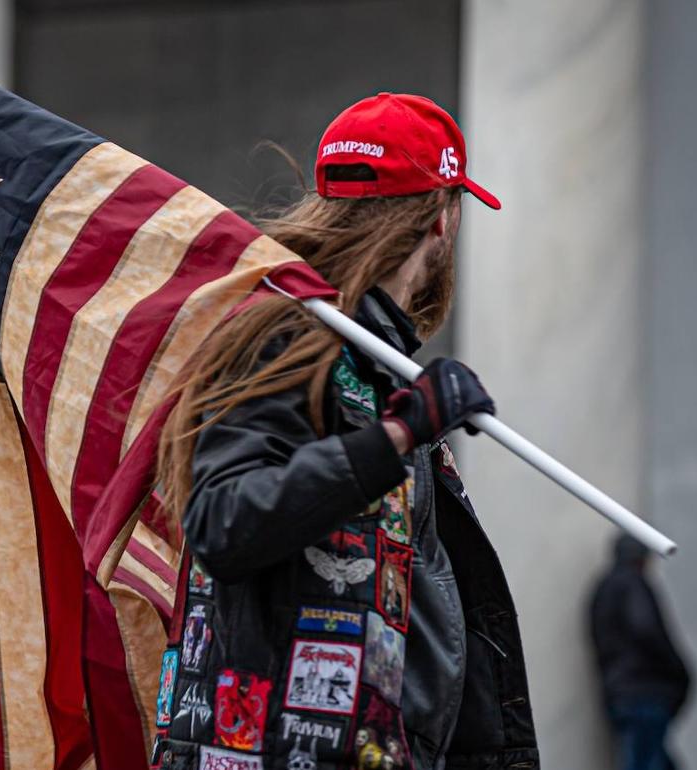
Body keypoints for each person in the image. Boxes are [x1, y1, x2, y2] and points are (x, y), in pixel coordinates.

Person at [149, 93, 539, 770]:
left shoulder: (365, 355)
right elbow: (223, 521)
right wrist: (393, 437)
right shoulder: (288, 334)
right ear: (443, 219)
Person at [590, 535, 692, 770]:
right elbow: (646, 630)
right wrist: (680, 673)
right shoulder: (632, 584)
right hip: (645, 692)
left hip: (620, 693)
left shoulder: (602, 590)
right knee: (647, 762)